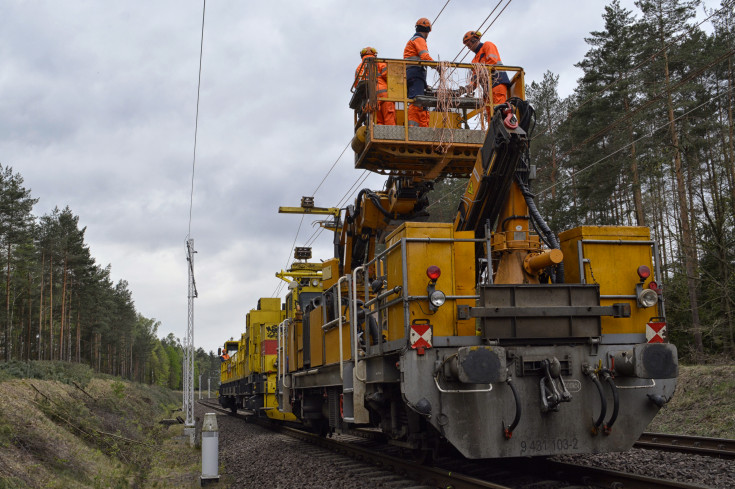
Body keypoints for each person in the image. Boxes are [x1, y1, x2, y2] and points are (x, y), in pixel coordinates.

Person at [462, 30, 510, 110]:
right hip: (487, 91)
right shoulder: (474, 60)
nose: (468, 47)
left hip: (497, 82)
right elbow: (474, 80)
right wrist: (467, 88)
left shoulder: (487, 45)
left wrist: (479, 75)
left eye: (468, 44)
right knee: (490, 116)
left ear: (474, 40)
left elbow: (492, 62)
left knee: (499, 111)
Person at [403, 17, 434, 127]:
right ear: (428, 30)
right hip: (415, 73)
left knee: (421, 102)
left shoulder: (414, 39)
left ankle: (423, 127)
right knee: (416, 101)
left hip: (414, 73)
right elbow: (425, 56)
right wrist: (437, 66)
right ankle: (413, 128)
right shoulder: (419, 39)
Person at [354, 46, 396, 126]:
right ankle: (390, 136)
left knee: (378, 121)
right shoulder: (380, 63)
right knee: (389, 119)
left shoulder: (359, 68)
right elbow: (388, 76)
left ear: (362, 56)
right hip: (385, 96)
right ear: (375, 54)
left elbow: (358, 85)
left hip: (372, 98)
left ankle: (380, 137)